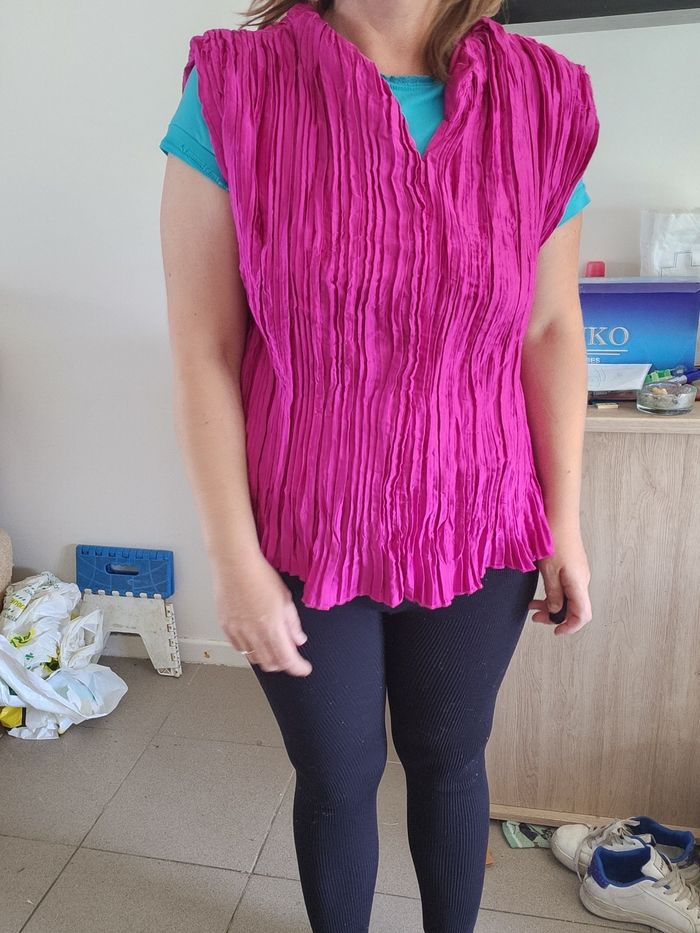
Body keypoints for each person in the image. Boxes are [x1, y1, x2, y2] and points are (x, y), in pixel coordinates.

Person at [158, 2, 598, 930]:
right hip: (302, 523)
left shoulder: (541, 98)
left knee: (451, 757)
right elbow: (205, 346)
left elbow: (551, 328)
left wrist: (564, 521)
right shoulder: (237, 89)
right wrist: (232, 557)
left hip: (478, 516)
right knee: (336, 772)